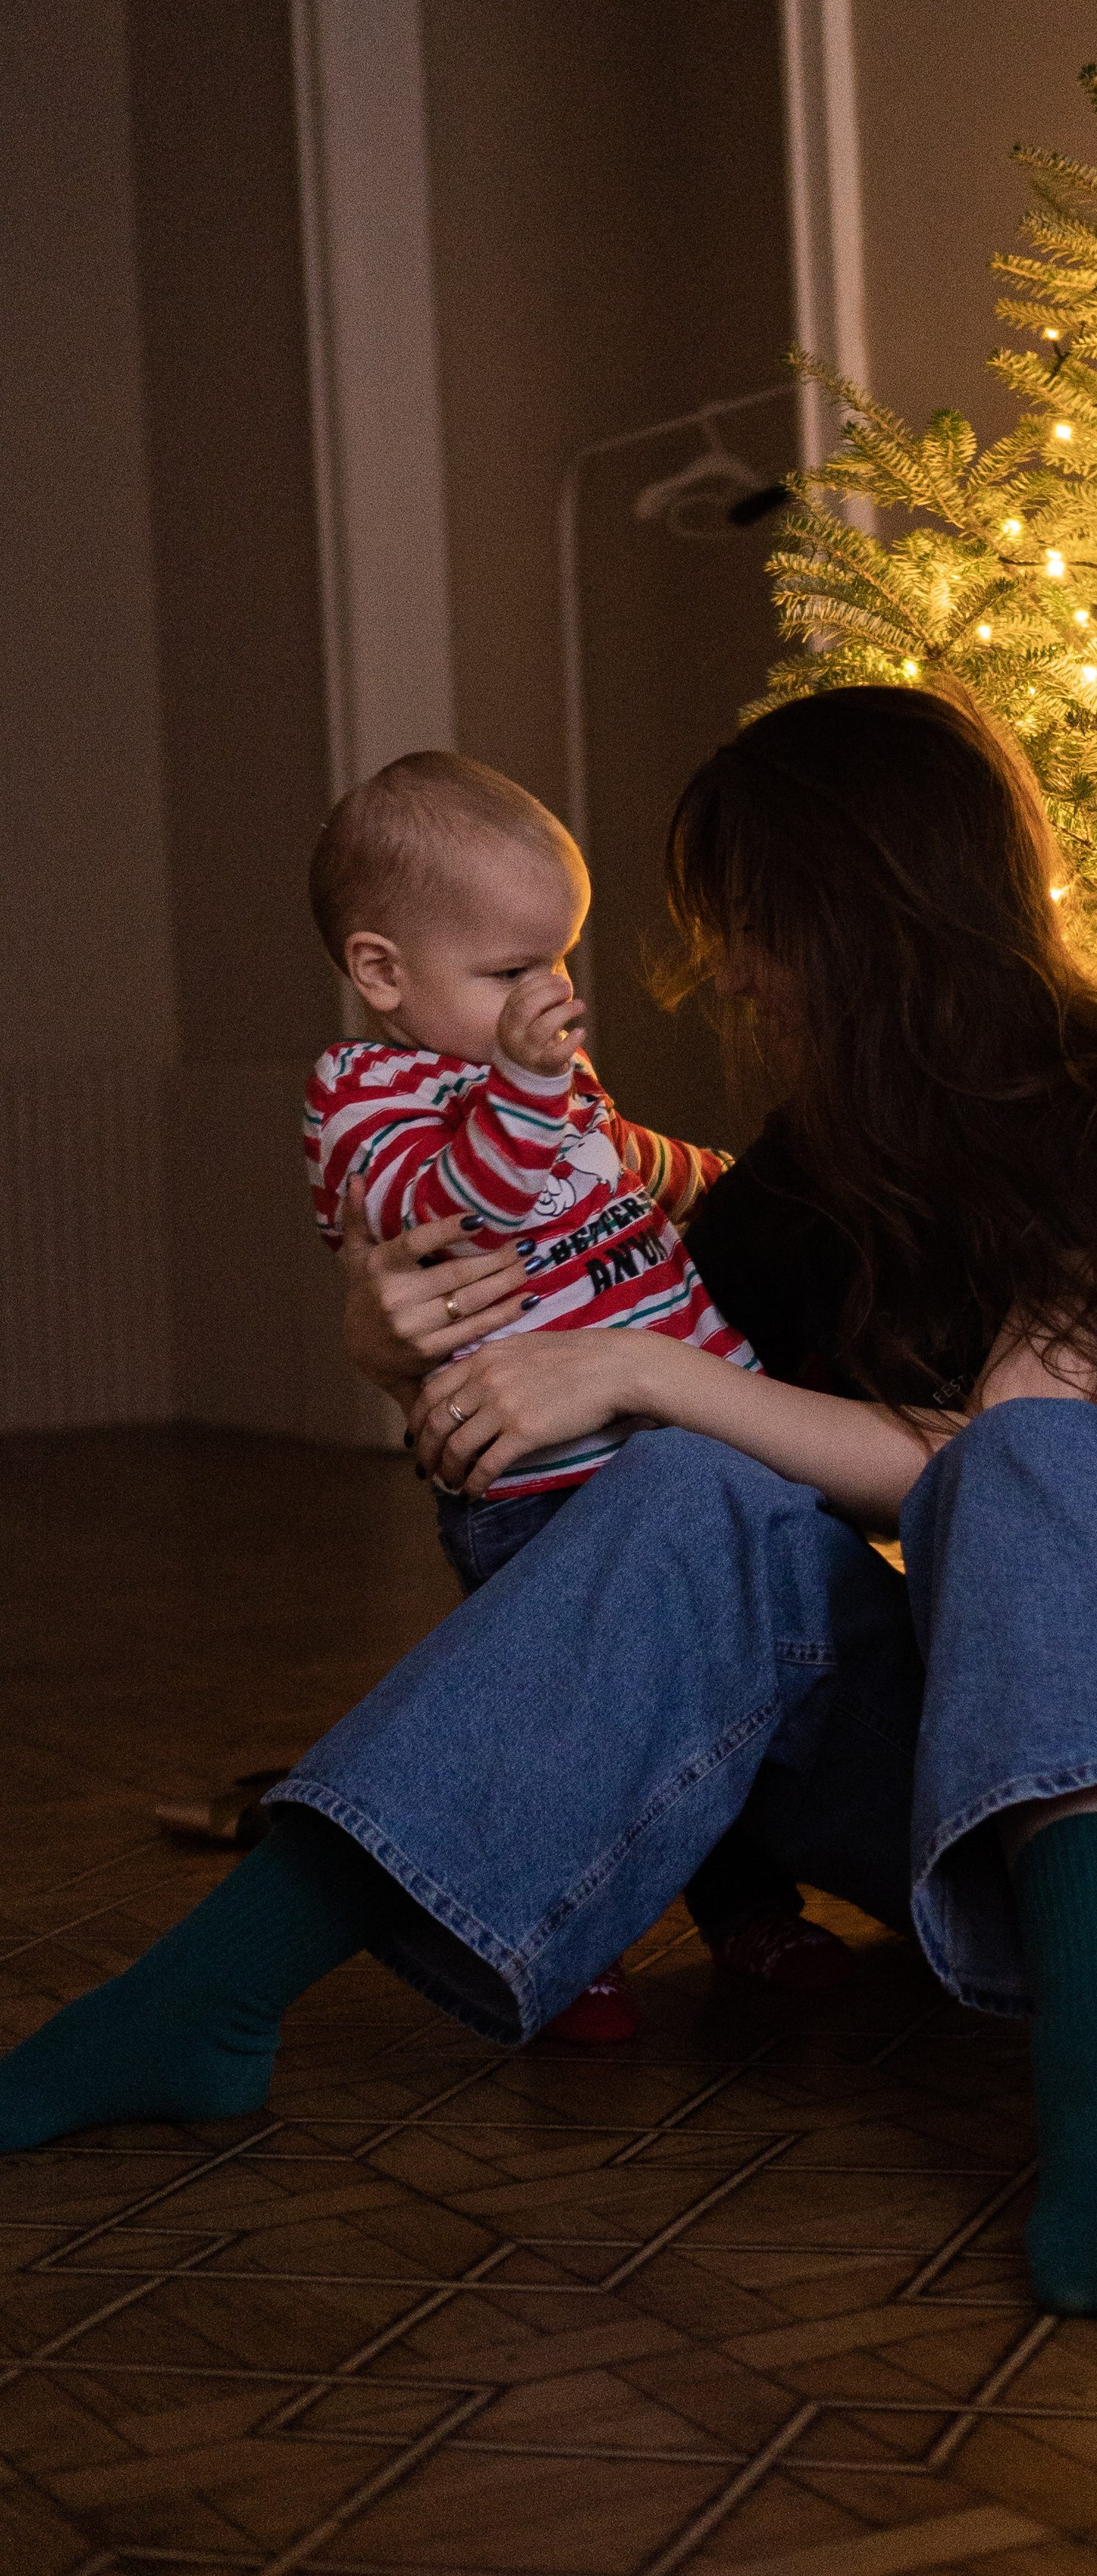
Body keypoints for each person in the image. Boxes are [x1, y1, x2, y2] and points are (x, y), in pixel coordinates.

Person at [0, 685, 1097, 2317]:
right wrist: (390, 1342)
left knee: (1016, 1459)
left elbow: (1015, 1448)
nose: (726, 974)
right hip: (979, 1799)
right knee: (689, 1494)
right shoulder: (800, 1191)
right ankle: (206, 2003)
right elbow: (566, 1385)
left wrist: (645, 1372)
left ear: (860, 913)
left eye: (748, 924)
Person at [304, 750, 847, 2016]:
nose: (549, 994)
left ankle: (753, 1913)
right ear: (382, 972)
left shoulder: (544, 1091)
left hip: (689, 1441)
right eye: (509, 972)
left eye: (557, 960)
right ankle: (568, 1933)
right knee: (583, 1727)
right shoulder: (364, 1103)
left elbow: (641, 1165)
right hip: (540, 1476)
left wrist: (761, 1184)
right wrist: (532, 1090)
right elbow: (460, 1203)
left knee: (725, 1697)